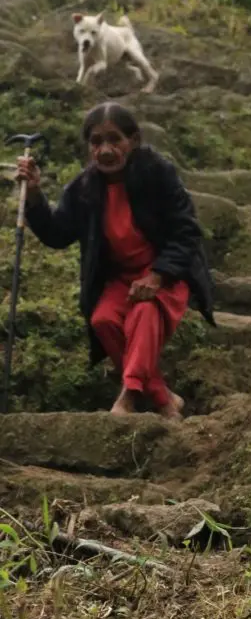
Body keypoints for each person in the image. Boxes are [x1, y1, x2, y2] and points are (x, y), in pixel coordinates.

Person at [15, 102, 214, 420]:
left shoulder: (156, 173)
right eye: (96, 142)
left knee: (145, 313)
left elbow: (186, 231)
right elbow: (57, 234)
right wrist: (36, 195)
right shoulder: (84, 188)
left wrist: (158, 276)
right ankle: (163, 398)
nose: (105, 150)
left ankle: (129, 396)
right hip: (120, 280)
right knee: (103, 320)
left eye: (114, 139)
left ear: (133, 140)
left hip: (164, 274)